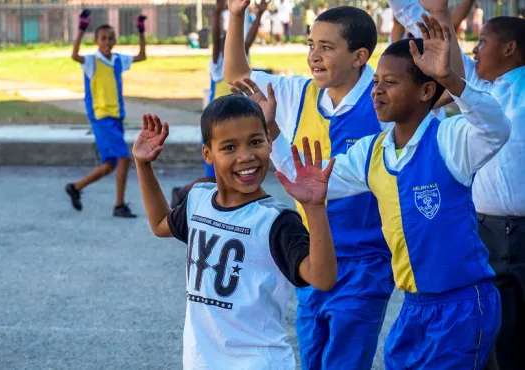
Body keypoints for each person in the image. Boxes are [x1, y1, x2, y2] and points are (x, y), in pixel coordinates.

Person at [323, 17, 509, 369]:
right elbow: (320, 180)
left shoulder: (449, 140)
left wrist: (451, 80)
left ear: (426, 91)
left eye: (390, 83)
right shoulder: (372, 151)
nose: (377, 90)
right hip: (414, 306)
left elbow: (496, 127)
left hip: (462, 304)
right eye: (375, 82)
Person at [224, 3, 394, 369]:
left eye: (327, 47)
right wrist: (237, 15)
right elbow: (236, 75)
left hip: (364, 261)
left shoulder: (383, 103)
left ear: (359, 57)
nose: (314, 56)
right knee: (312, 359)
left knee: (344, 362)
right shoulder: (297, 93)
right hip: (312, 254)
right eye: (310, 45)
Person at [132, 95, 338, 369]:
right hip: (201, 361)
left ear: (268, 140)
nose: (246, 156)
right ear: (208, 154)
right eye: (229, 147)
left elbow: (323, 279)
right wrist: (143, 165)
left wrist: (314, 208)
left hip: (260, 362)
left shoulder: (276, 220)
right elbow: (160, 224)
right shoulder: (198, 201)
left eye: (255, 142)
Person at [388, 1, 525, 368]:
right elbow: (421, 24)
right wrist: (442, 15)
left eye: (482, 42)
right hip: (486, 232)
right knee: (495, 337)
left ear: (509, 48)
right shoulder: (475, 85)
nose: (475, 50)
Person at [170, 0, 267, 208]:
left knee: (229, 177)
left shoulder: (242, 66)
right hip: (217, 127)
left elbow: (247, 40)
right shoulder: (217, 64)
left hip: (235, 126)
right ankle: (183, 192)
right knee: (217, 179)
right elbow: (216, 39)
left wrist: (259, 14)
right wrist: (217, 12)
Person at [65, 10, 147, 218]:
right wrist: (81, 28)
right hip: (102, 118)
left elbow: (142, 56)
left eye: (111, 38)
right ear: (96, 40)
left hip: (116, 117)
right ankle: (119, 205)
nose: (107, 42)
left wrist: (141, 31)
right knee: (124, 158)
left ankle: (75, 188)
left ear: (115, 40)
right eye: (103, 38)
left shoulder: (118, 60)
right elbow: (75, 55)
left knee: (109, 165)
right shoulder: (92, 61)